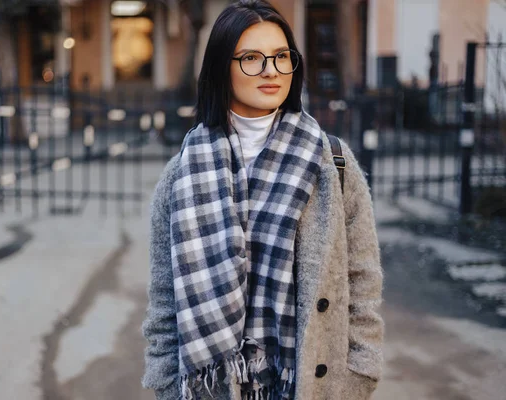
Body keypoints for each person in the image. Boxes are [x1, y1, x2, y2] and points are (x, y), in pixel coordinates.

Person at [141, 1, 384, 399]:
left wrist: (359, 374)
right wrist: (168, 386)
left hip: (309, 384)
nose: (271, 70)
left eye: (281, 57)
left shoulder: (333, 164)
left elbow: (363, 282)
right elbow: (164, 304)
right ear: (222, 66)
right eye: (252, 58)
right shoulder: (181, 176)